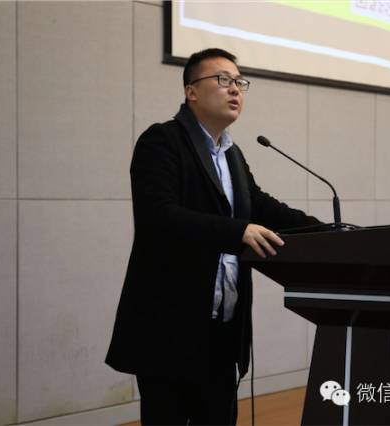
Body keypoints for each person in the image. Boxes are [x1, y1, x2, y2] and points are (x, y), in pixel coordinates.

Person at [105, 48, 320, 425]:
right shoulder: (162, 141)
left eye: (239, 82)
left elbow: (261, 206)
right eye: (222, 80)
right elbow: (159, 217)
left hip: (223, 329)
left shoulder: (232, 154)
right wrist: (238, 231)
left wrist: (329, 231)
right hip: (171, 327)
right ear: (191, 91)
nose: (234, 89)